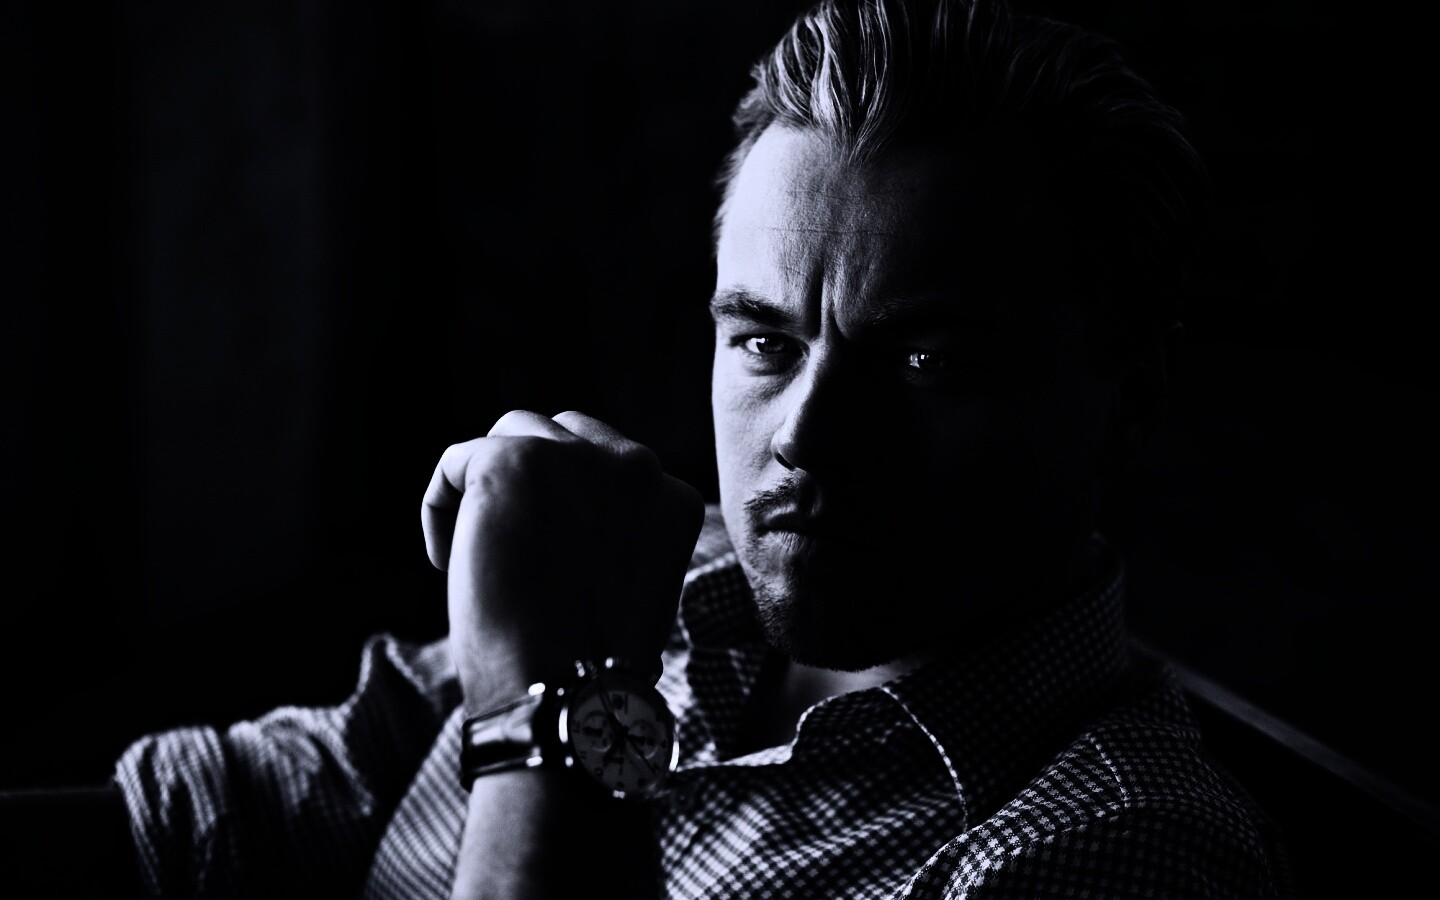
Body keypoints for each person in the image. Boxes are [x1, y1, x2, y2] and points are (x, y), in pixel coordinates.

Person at [106, 0, 1295, 896]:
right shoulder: (665, 583)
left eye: (926, 361)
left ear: (1131, 400)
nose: (808, 438)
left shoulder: (1119, 847)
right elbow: (229, 815)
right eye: (765, 343)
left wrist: (555, 716)